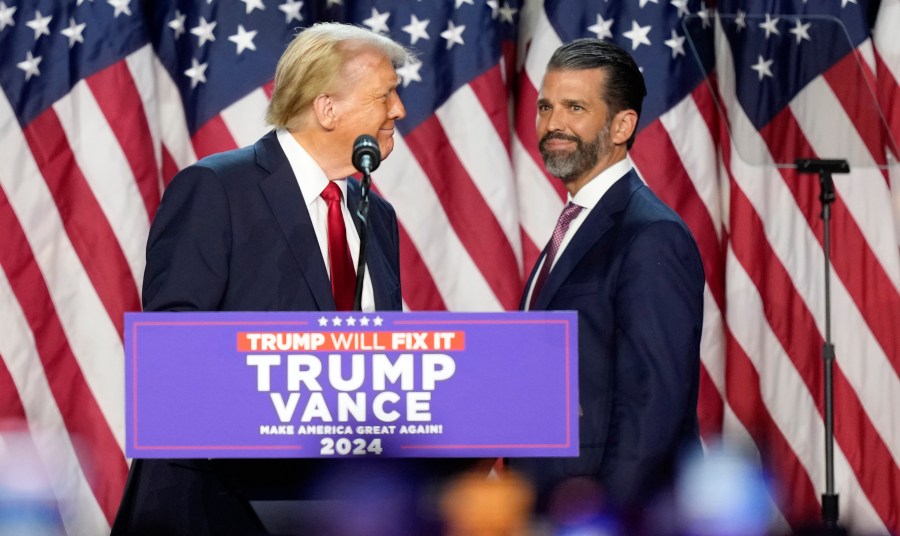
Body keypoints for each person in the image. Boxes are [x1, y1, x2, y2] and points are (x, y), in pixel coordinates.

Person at [112, 23, 446, 535]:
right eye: (386, 94)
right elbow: (170, 356)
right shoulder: (217, 189)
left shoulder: (374, 216)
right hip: (208, 508)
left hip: (322, 507)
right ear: (327, 108)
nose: (399, 109)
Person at [507, 38, 705, 521]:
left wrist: (608, 518)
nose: (553, 124)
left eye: (576, 107)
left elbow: (652, 403)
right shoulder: (574, 226)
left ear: (622, 125)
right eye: (546, 106)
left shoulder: (650, 233)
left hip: (606, 510)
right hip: (551, 503)